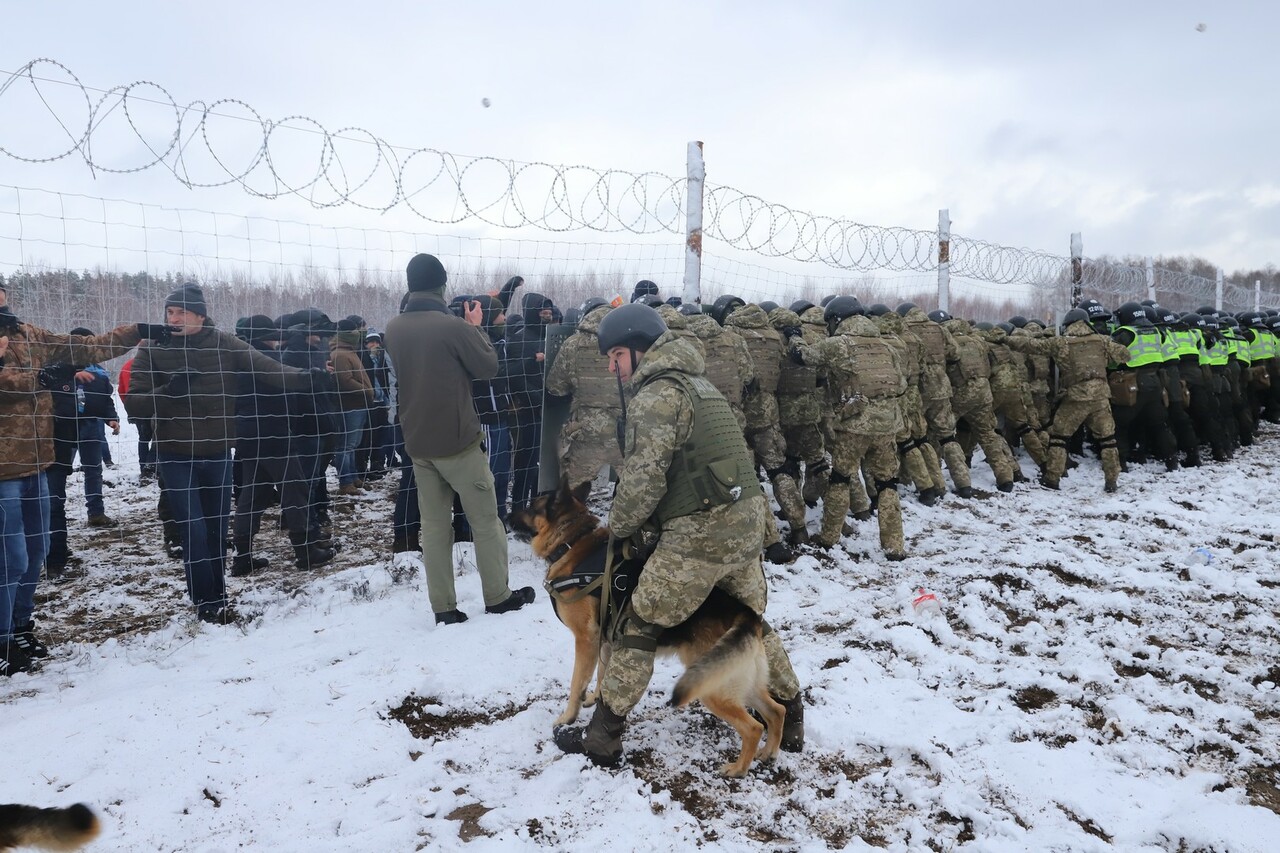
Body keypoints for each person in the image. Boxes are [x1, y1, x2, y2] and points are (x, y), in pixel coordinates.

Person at [553, 302, 804, 767]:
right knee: (746, 620)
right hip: (745, 523)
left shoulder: (656, 396)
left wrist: (623, 531)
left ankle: (602, 736)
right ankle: (791, 715)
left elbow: (643, 480)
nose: (611, 366)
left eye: (616, 356)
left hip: (702, 529)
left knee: (640, 622)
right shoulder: (701, 386)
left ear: (639, 349)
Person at [122, 284, 316, 623]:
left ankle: (219, 593)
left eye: (182, 312)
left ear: (201, 315)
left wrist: (306, 379)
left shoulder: (224, 343)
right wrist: (168, 391)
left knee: (216, 528)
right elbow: (134, 403)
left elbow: (265, 367)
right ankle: (205, 603)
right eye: (170, 312)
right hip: (175, 453)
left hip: (216, 453)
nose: (174, 318)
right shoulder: (153, 348)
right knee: (194, 529)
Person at [0, 283, 144, 673]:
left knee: (36, 552)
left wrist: (136, 331)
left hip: (39, 462)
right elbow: (16, 381)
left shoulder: (27, 334)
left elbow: (87, 347)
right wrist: (41, 379)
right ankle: (2, 642)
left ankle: (20, 627)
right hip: (3, 474)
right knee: (9, 559)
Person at [384, 254, 533, 625]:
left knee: (434, 528)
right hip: (459, 441)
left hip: (418, 442)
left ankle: (443, 608)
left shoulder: (393, 328)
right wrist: (475, 328)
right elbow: (488, 367)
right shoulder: (453, 327)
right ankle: (498, 596)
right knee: (486, 521)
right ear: (442, 284)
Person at [1005, 308, 1131, 492]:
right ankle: (1111, 480)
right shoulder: (1102, 340)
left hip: (1076, 398)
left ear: (1068, 325)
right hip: (1101, 397)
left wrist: (1006, 339)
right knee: (1107, 439)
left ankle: (1052, 478)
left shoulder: (1061, 342)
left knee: (1059, 438)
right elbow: (1125, 355)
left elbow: (1030, 345)